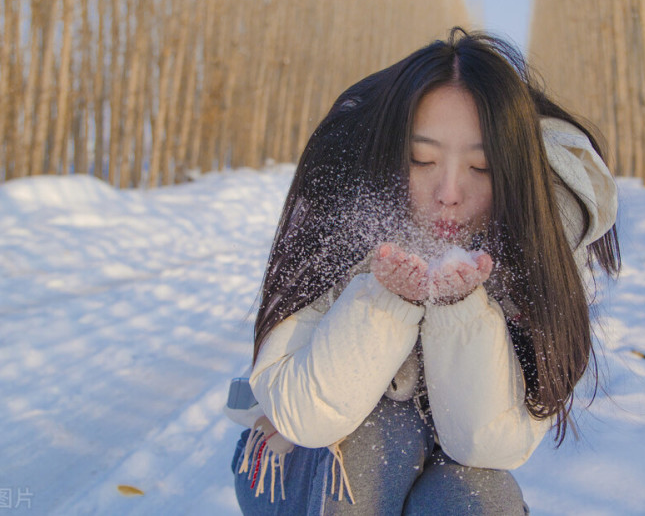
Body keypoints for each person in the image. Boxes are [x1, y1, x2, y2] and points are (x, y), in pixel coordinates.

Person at [229, 28, 619, 515]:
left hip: (449, 469)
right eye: (422, 160)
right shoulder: (351, 217)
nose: (449, 192)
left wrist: (461, 310)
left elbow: (490, 445)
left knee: (479, 498)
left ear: (515, 175)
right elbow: (304, 415)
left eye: (482, 169)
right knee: (382, 435)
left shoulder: (540, 247)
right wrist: (384, 300)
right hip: (300, 465)